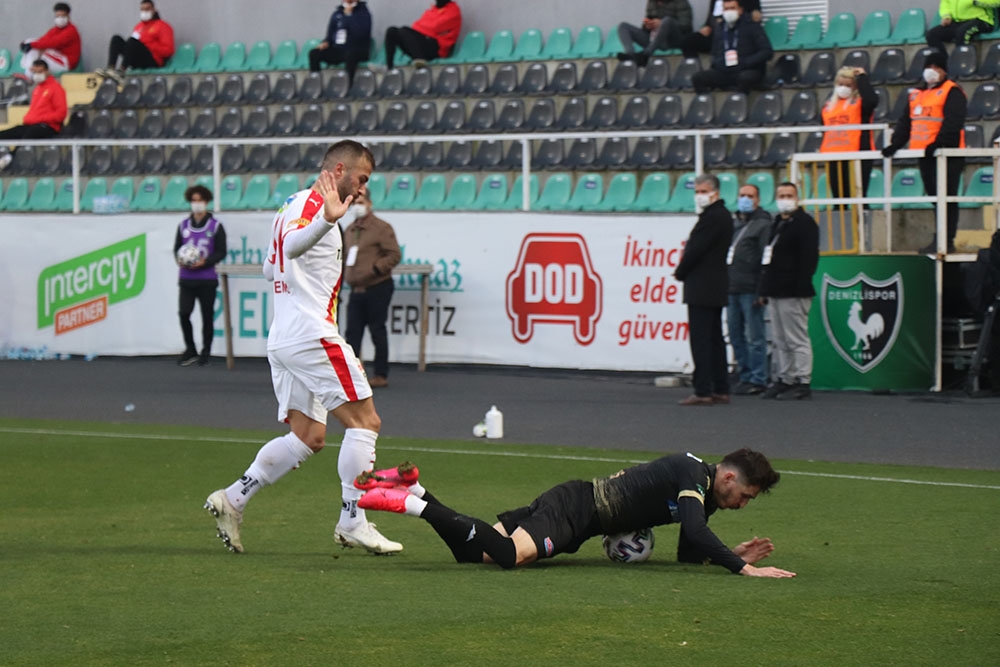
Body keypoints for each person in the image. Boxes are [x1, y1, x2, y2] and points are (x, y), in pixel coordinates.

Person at [205, 140, 403, 556]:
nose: (364, 188)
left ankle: (234, 498)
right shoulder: (317, 206)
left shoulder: (290, 204)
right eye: (362, 178)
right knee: (365, 421)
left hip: (285, 333)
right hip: (311, 333)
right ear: (340, 169)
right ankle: (353, 519)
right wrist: (327, 222)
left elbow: (268, 266)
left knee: (308, 435)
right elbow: (295, 246)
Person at [355, 449, 796, 578]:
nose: (743, 505)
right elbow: (696, 530)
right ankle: (409, 505)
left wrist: (726, 553)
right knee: (510, 557)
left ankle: (417, 490)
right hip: (575, 508)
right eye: (747, 496)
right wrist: (741, 568)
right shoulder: (692, 474)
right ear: (729, 478)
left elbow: (689, 544)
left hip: (577, 514)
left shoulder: (699, 492)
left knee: (477, 556)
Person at [881, 50, 967, 254]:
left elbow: (953, 122)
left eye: (937, 67)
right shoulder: (915, 94)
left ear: (944, 71)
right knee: (934, 197)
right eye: (930, 67)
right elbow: (906, 123)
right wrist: (896, 144)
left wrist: (938, 144)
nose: (932, 71)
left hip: (946, 155)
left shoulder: (952, 91)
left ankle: (946, 240)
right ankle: (940, 238)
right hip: (924, 154)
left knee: (946, 197)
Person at [673, 174, 734, 406]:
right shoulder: (724, 216)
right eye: (697, 191)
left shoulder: (711, 218)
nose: (699, 195)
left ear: (715, 192)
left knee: (702, 340)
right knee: (715, 338)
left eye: (703, 191)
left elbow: (695, 250)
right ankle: (720, 386)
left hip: (702, 284)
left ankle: (703, 389)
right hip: (716, 284)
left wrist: (680, 271)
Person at [758, 183, 820, 401]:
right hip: (775, 289)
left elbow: (809, 259)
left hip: (794, 290)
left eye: (789, 195)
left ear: (797, 198)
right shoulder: (777, 223)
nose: (785, 199)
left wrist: (799, 287)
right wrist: (765, 289)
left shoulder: (805, 224)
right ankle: (785, 378)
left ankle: (803, 380)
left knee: (797, 338)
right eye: (781, 195)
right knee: (780, 339)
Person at [343, 191, 402, 389]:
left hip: (378, 286)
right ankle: (351, 374)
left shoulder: (381, 228)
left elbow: (394, 254)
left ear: (369, 202)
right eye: (354, 203)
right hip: (355, 288)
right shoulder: (349, 230)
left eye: (360, 202)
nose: (356, 206)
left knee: (377, 330)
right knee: (352, 334)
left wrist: (376, 268)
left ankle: (380, 374)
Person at [174, 185, 227, 367]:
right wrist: (180, 260)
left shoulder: (216, 226)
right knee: (184, 313)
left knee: (206, 316)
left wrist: (205, 261)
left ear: (206, 202)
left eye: (200, 200)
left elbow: (221, 251)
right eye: (194, 201)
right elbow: (176, 248)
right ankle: (190, 349)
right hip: (186, 278)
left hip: (206, 278)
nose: (197, 204)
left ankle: (206, 351)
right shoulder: (183, 226)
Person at [727, 183, 772, 395]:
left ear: (758, 200)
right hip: (732, 286)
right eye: (742, 195)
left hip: (750, 286)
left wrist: (762, 289)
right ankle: (744, 374)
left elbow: (765, 258)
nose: (745, 199)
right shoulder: (735, 223)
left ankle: (758, 377)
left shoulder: (763, 224)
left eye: (750, 196)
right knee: (735, 334)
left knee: (755, 336)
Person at [820, 66, 878, 202]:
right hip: (834, 155)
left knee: (859, 197)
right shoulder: (829, 106)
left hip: (858, 154)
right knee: (839, 199)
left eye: (848, 85)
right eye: (840, 84)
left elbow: (872, 101)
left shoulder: (860, 103)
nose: (843, 88)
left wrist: (863, 78)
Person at [690, 0, 772, 94]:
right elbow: (714, 52)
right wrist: (719, 63)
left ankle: (739, 104)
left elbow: (767, 52)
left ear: (740, 10)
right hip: (725, 71)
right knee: (698, 78)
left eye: (732, 8)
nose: (729, 12)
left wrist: (745, 62)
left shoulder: (752, 26)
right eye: (726, 9)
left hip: (747, 69)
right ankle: (707, 103)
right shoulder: (720, 28)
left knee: (745, 78)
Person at [0, 60, 66, 171]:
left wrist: (40, 119)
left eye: (39, 72)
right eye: (34, 72)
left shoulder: (56, 88)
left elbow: (61, 114)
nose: (36, 75)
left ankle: (9, 157)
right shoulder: (38, 89)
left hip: (48, 127)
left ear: (47, 71)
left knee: (30, 132)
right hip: (32, 124)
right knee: (9, 133)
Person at [96, 0, 174, 84]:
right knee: (116, 39)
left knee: (132, 42)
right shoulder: (139, 26)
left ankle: (122, 71)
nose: (144, 12)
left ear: (154, 10)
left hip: (153, 60)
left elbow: (168, 51)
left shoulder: (163, 26)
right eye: (142, 9)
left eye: (147, 9)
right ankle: (110, 69)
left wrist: (149, 44)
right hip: (137, 58)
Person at [383, 0, 462, 70]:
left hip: (437, 48)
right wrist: (425, 29)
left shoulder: (453, 11)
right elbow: (416, 26)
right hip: (424, 41)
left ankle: (420, 59)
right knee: (392, 31)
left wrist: (424, 28)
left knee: (404, 31)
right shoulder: (432, 10)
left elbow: (435, 27)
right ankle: (389, 67)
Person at [308, 1, 372, 84]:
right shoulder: (337, 14)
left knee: (351, 55)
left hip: (357, 49)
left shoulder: (363, 13)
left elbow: (362, 33)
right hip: (339, 49)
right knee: (314, 53)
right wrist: (326, 42)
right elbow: (330, 33)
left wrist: (349, 16)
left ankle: (348, 85)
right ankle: (315, 83)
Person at [616, 0, 693, 67]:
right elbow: (647, 24)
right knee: (623, 26)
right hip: (654, 39)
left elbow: (686, 25)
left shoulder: (680, 2)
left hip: (672, 40)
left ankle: (645, 55)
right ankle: (631, 55)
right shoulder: (651, 2)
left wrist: (661, 24)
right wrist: (648, 25)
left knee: (667, 21)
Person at [18, 3, 81, 78]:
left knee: (36, 47)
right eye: (57, 16)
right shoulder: (55, 30)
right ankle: (28, 73)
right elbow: (42, 40)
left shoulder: (71, 30)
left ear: (68, 16)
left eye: (62, 16)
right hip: (56, 58)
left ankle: (28, 75)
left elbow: (53, 43)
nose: (60, 19)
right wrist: (25, 43)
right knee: (31, 42)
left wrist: (31, 45)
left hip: (66, 62)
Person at [681, 0, 761, 58]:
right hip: (717, 35)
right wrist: (707, 26)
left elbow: (755, 15)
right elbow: (712, 15)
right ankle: (692, 68)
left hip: (739, 35)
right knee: (688, 41)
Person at [926, 0, 999, 53]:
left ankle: (962, 64)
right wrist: (946, 16)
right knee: (932, 34)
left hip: (981, 20)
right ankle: (942, 66)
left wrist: (976, 1)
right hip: (958, 22)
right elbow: (945, 3)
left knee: (961, 33)